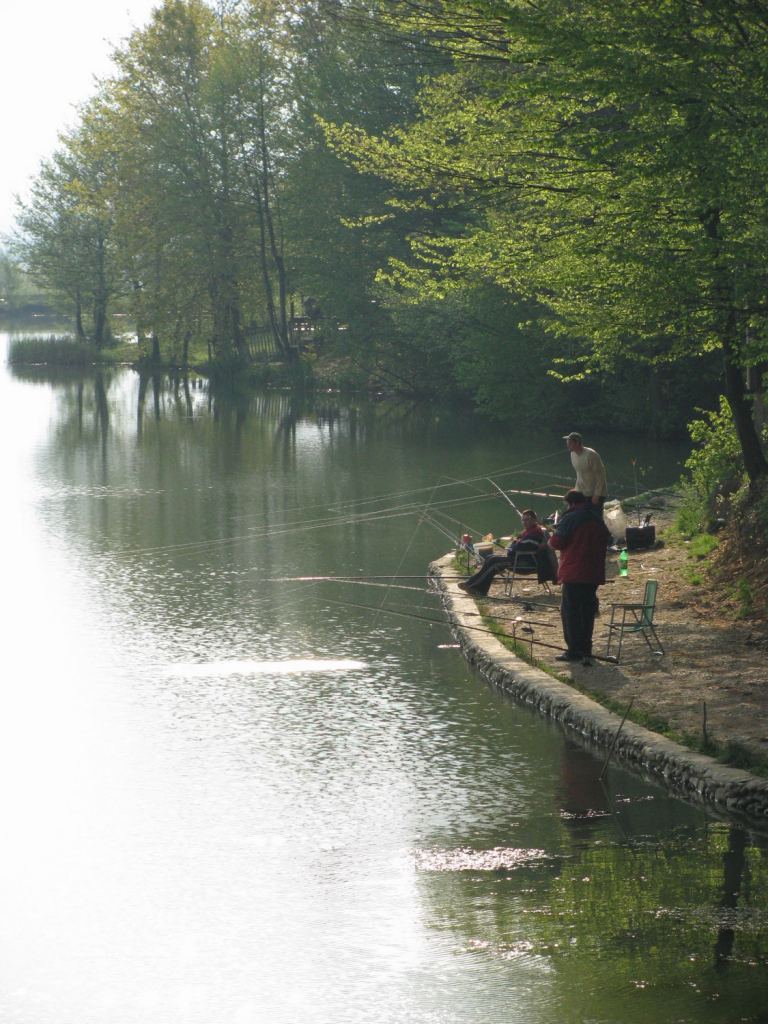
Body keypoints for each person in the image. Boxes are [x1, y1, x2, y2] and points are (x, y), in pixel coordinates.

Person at [549, 490, 611, 664]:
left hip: (574, 572)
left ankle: (574, 651)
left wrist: (551, 537)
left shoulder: (571, 517)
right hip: (593, 573)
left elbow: (556, 543)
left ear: (571, 503)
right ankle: (586, 649)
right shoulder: (597, 517)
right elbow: (607, 538)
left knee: (571, 612)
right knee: (587, 611)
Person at [458, 510, 546, 596]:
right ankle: (475, 586)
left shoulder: (535, 532)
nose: (524, 522)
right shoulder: (529, 531)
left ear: (534, 520)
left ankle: (474, 586)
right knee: (490, 557)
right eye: (523, 520)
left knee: (494, 561)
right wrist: (515, 544)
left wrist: (514, 545)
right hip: (519, 558)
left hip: (525, 562)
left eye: (527, 519)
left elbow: (520, 547)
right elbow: (517, 544)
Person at [563, 431, 607, 512]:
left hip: (594, 493)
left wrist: (596, 495)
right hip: (581, 492)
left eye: (570, 442)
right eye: (567, 442)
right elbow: (579, 473)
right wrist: (576, 489)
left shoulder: (591, 455)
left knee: (595, 518)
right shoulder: (572, 454)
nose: (567, 444)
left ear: (577, 443)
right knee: (579, 515)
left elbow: (601, 476)